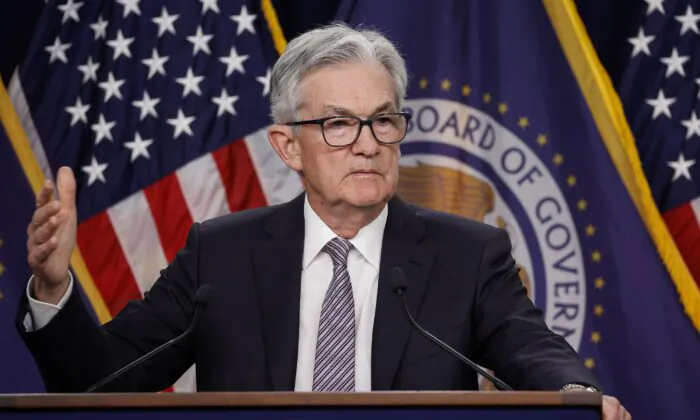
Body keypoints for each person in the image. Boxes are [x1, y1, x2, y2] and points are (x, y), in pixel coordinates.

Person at [18, 23, 630, 419]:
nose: (367, 143)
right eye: (338, 124)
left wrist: (580, 397)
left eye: (383, 120)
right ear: (288, 147)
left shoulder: (468, 255)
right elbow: (99, 383)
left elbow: (536, 352)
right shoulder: (220, 257)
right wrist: (52, 287)